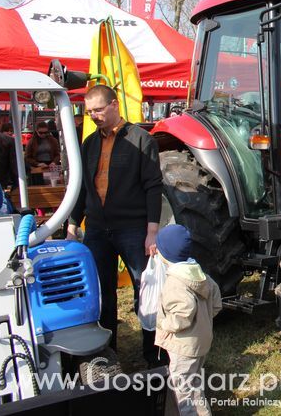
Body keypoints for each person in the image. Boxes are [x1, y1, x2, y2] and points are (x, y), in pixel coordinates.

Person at [67, 85, 166, 367]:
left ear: (114, 104)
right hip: (97, 230)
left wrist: (152, 231)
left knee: (144, 290)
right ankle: (107, 352)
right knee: (101, 293)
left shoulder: (140, 139)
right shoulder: (89, 143)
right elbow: (83, 187)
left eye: (98, 109)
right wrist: (73, 225)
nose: (94, 116)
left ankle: (154, 355)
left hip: (133, 229)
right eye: (89, 112)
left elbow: (152, 187)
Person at [155, 224, 222, 416]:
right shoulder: (199, 274)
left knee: (183, 389)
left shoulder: (175, 282)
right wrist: (204, 320)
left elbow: (183, 312)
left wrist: (164, 324)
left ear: (165, 254)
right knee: (194, 383)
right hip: (200, 342)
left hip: (183, 346)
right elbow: (216, 303)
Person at [0, 113, 17, 189]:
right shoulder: (9, 140)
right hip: (0, 182)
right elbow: (13, 165)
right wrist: (16, 184)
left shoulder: (7, 140)